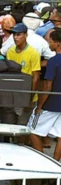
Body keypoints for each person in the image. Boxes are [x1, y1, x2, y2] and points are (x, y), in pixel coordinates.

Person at [31, 29, 61, 158]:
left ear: (57, 43)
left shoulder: (53, 61)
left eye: (50, 41)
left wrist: (39, 106)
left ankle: (44, 163)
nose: (49, 44)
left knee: (32, 131)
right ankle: (56, 163)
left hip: (50, 104)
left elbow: (47, 86)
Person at [6, 22, 42, 124]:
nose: (15, 37)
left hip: (26, 96)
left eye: (18, 35)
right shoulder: (10, 51)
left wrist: (30, 98)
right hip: (12, 96)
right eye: (14, 35)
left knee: (23, 127)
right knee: (9, 126)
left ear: (26, 35)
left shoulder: (33, 53)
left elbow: (36, 77)